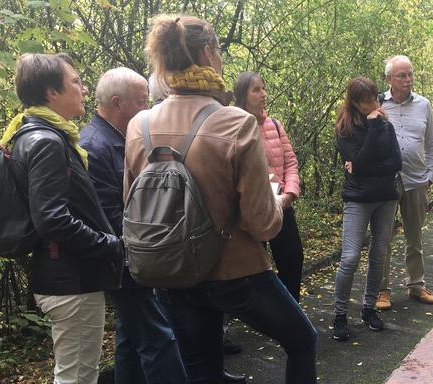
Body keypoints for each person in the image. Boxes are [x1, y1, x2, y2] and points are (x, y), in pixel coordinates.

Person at [124, 15, 317, 383]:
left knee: (201, 368)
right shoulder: (235, 123)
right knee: (301, 340)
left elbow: (131, 205)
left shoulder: (140, 125)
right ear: (208, 52)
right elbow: (262, 224)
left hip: (173, 272)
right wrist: (277, 199)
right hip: (235, 273)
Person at [2, 53, 124, 384]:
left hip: (67, 277)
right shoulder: (46, 142)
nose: (83, 89)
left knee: (80, 374)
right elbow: (51, 218)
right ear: (50, 92)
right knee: (76, 377)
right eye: (75, 82)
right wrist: (108, 244)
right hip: (70, 280)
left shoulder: (38, 135)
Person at [80, 67, 188, 384]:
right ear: (117, 103)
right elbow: (107, 216)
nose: (149, 108)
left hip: (133, 257)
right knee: (159, 339)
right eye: (142, 101)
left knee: (130, 340)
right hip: (125, 261)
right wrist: (149, 242)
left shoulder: (119, 138)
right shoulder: (95, 147)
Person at [331, 77, 401, 341]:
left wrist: (363, 167)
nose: (373, 104)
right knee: (349, 257)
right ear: (355, 102)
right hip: (357, 199)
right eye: (367, 101)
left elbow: (395, 162)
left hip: (386, 197)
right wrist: (371, 128)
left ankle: (369, 308)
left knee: (379, 253)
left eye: (374, 98)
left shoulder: (385, 123)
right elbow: (356, 160)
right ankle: (339, 314)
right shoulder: (344, 128)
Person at [232, 71, 304, 302]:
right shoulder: (233, 127)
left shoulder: (274, 124)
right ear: (243, 96)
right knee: (256, 268)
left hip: (281, 204)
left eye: (264, 88)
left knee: (293, 259)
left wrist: (289, 194)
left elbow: (290, 161)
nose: (263, 94)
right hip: (252, 209)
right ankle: (265, 316)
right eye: (256, 90)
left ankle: (292, 316)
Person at [377, 55, 433, 310]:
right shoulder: (378, 103)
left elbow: (431, 143)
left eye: (410, 74)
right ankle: (381, 290)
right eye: (402, 75)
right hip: (386, 182)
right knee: (383, 238)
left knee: (415, 238)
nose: (408, 80)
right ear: (389, 79)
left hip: (416, 180)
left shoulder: (424, 105)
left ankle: (416, 285)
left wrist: (431, 175)